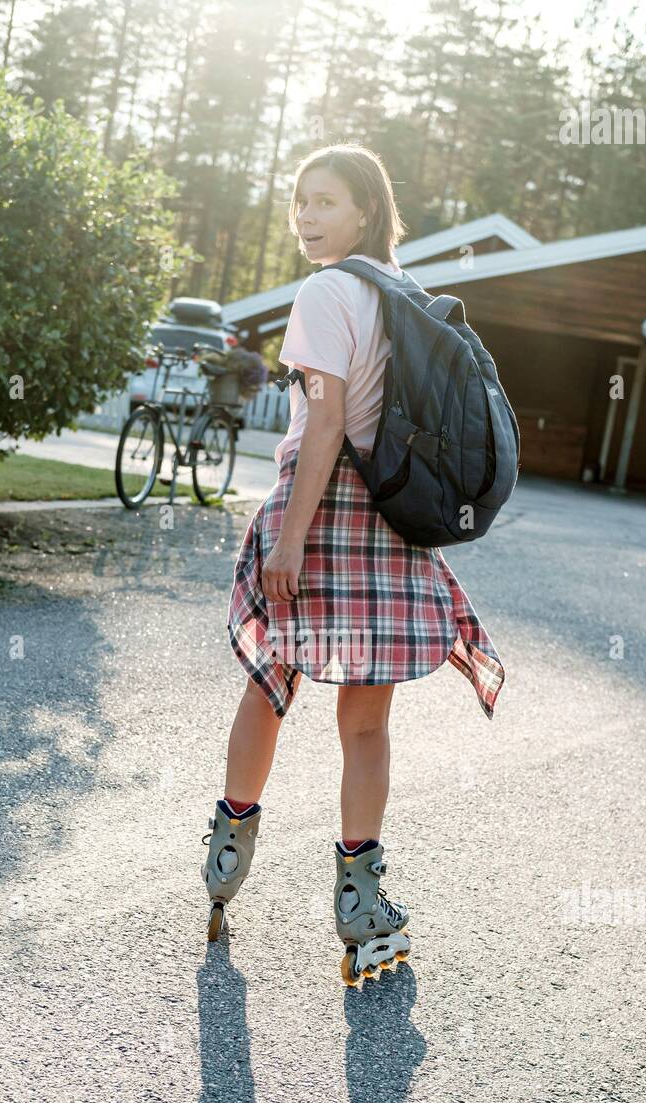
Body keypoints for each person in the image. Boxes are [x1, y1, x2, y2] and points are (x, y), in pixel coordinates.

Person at [201, 143, 506, 986]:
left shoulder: (327, 291)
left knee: (271, 680)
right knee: (366, 725)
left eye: (324, 202)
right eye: (299, 201)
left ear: (364, 211)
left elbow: (325, 423)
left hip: (324, 505)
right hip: (395, 512)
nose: (305, 216)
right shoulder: (401, 297)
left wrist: (291, 538)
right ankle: (361, 898)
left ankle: (228, 852)